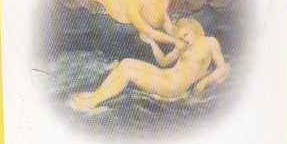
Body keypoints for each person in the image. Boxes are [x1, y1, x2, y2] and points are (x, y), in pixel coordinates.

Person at [71, 17, 229, 114]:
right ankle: (97, 93)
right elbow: (164, 62)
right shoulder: (183, 45)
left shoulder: (210, 43)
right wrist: (152, 42)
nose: (183, 40)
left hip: (174, 86)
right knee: (126, 63)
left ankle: (94, 102)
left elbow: (222, 68)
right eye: (180, 37)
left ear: (195, 31)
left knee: (129, 74)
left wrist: (204, 82)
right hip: (165, 75)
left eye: (186, 35)